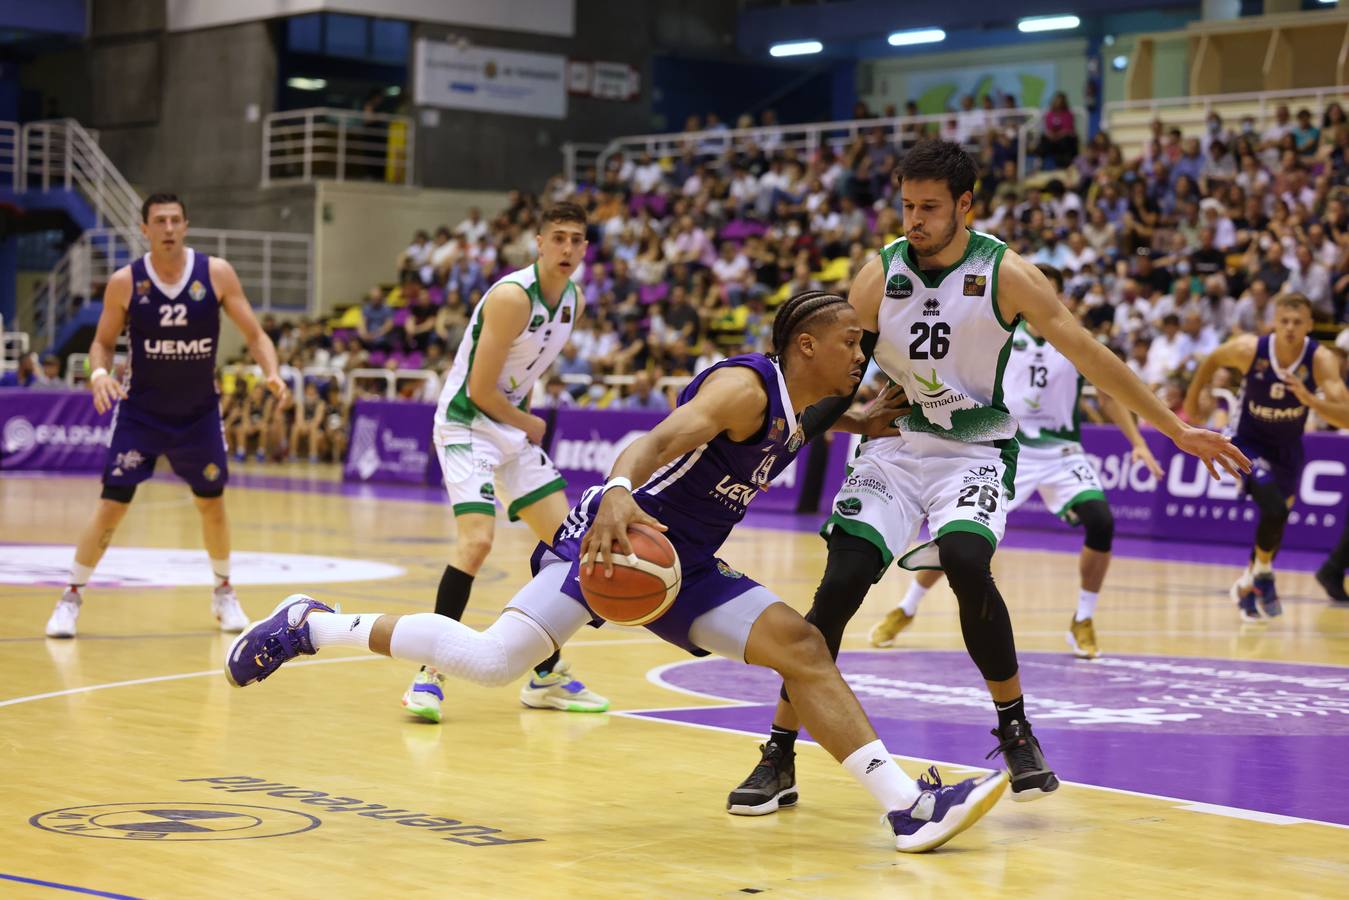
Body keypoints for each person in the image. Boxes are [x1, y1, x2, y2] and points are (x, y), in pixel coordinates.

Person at [225, 291, 1010, 854]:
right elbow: (653, 442)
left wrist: (875, 414)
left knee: (801, 647)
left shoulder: (808, 406)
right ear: (806, 345)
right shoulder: (742, 388)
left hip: (688, 565)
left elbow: (824, 417)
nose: (859, 353)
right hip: (617, 542)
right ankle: (312, 624)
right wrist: (613, 494)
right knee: (493, 661)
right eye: (849, 342)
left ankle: (907, 808)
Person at [727, 140, 1247, 814]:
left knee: (969, 561)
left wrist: (1174, 428)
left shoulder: (1007, 273)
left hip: (973, 448)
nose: (913, 220)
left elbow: (1089, 353)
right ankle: (779, 753)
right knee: (840, 587)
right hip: (895, 448)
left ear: (964, 205)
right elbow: (828, 380)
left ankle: (1014, 728)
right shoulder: (876, 275)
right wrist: (802, 439)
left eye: (929, 208)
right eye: (906, 205)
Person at [868, 265, 1165, 659]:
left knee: (1102, 521)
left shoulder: (1076, 341)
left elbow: (1108, 394)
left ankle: (1083, 619)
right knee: (959, 540)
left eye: (1053, 292)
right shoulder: (1000, 335)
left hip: (1062, 452)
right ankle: (906, 607)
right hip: (1011, 448)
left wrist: (1137, 442)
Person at [45, 192, 287, 638]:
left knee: (211, 504)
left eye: (176, 220)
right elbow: (100, 342)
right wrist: (97, 372)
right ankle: (71, 597)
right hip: (142, 413)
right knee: (111, 507)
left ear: (187, 225)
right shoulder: (125, 281)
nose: (169, 228)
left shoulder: (215, 273)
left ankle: (224, 591)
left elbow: (255, 334)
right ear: (145, 229)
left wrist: (272, 372)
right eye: (160, 221)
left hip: (198, 414)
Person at [405, 202, 608, 724]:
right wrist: (531, 423)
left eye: (576, 240)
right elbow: (479, 389)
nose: (567, 248)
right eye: (557, 238)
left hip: (510, 429)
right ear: (538, 243)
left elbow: (529, 369)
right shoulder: (512, 298)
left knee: (569, 550)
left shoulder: (573, 303)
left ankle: (546, 675)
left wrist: (522, 423)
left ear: (585, 249)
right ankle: (427, 675)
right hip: (466, 422)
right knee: (476, 543)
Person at [1184, 293, 1349, 621]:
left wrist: (1310, 401)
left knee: (1275, 520)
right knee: (1273, 508)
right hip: (1246, 441)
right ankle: (1264, 577)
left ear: (1310, 326)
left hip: (1288, 447)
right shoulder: (1250, 349)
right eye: (1284, 321)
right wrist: (1193, 400)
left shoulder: (1320, 360)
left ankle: (1249, 584)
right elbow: (1212, 359)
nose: (1289, 328)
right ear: (1274, 321)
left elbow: (1345, 416)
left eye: (1297, 322)